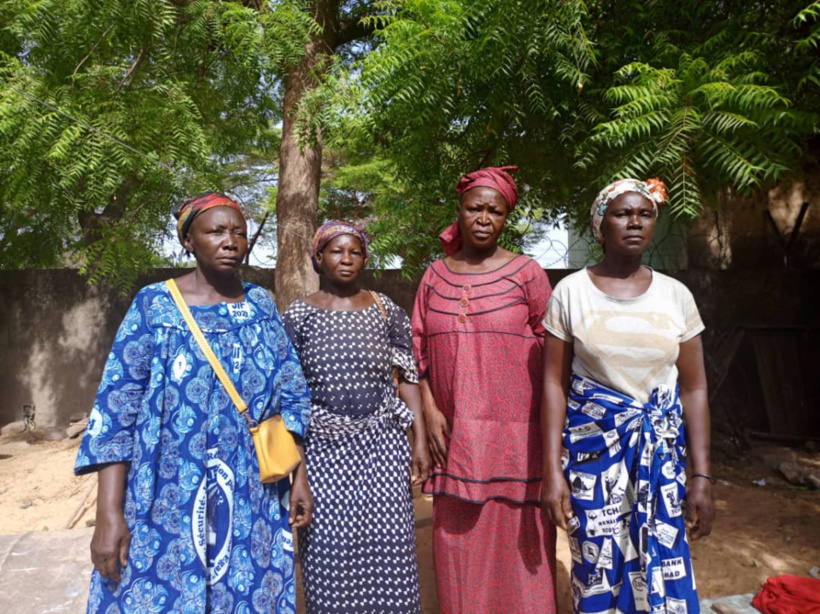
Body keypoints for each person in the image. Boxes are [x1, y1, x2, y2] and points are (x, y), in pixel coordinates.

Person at [74, 192, 313, 613]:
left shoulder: (260, 305)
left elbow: (293, 393)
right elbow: (116, 413)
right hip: (165, 493)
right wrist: (109, 513)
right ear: (188, 240)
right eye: (216, 231)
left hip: (252, 494)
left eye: (239, 232)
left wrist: (300, 478)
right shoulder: (154, 306)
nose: (231, 241)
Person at [540, 178, 715, 613]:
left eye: (645, 214)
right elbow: (553, 385)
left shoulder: (676, 296)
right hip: (592, 459)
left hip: (660, 460)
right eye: (622, 213)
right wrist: (552, 472)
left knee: (665, 563)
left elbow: (694, 388)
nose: (634, 222)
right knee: (596, 568)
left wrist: (702, 476)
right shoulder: (570, 293)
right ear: (600, 225)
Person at [411, 167, 557, 614]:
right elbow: (415, 352)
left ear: (506, 217)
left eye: (495, 211)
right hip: (454, 440)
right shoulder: (434, 277)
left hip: (518, 441)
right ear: (459, 209)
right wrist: (430, 410)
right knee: (459, 552)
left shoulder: (528, 274)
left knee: (522, 554)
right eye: (475, 207)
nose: (483, 218)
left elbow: (554, 358)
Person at [282, 220, 431, 614]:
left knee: (390, 547)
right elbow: (291, 398)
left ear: (365, 258)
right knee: (328, 552)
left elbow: (408, 378)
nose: (346, 259)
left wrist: (418, 439)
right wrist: (297, 470)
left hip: (382, 446)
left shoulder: (385, 309)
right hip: (322, 453)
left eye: (354, 252)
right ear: (318, 258)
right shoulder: (298, 316)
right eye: (335, 251)